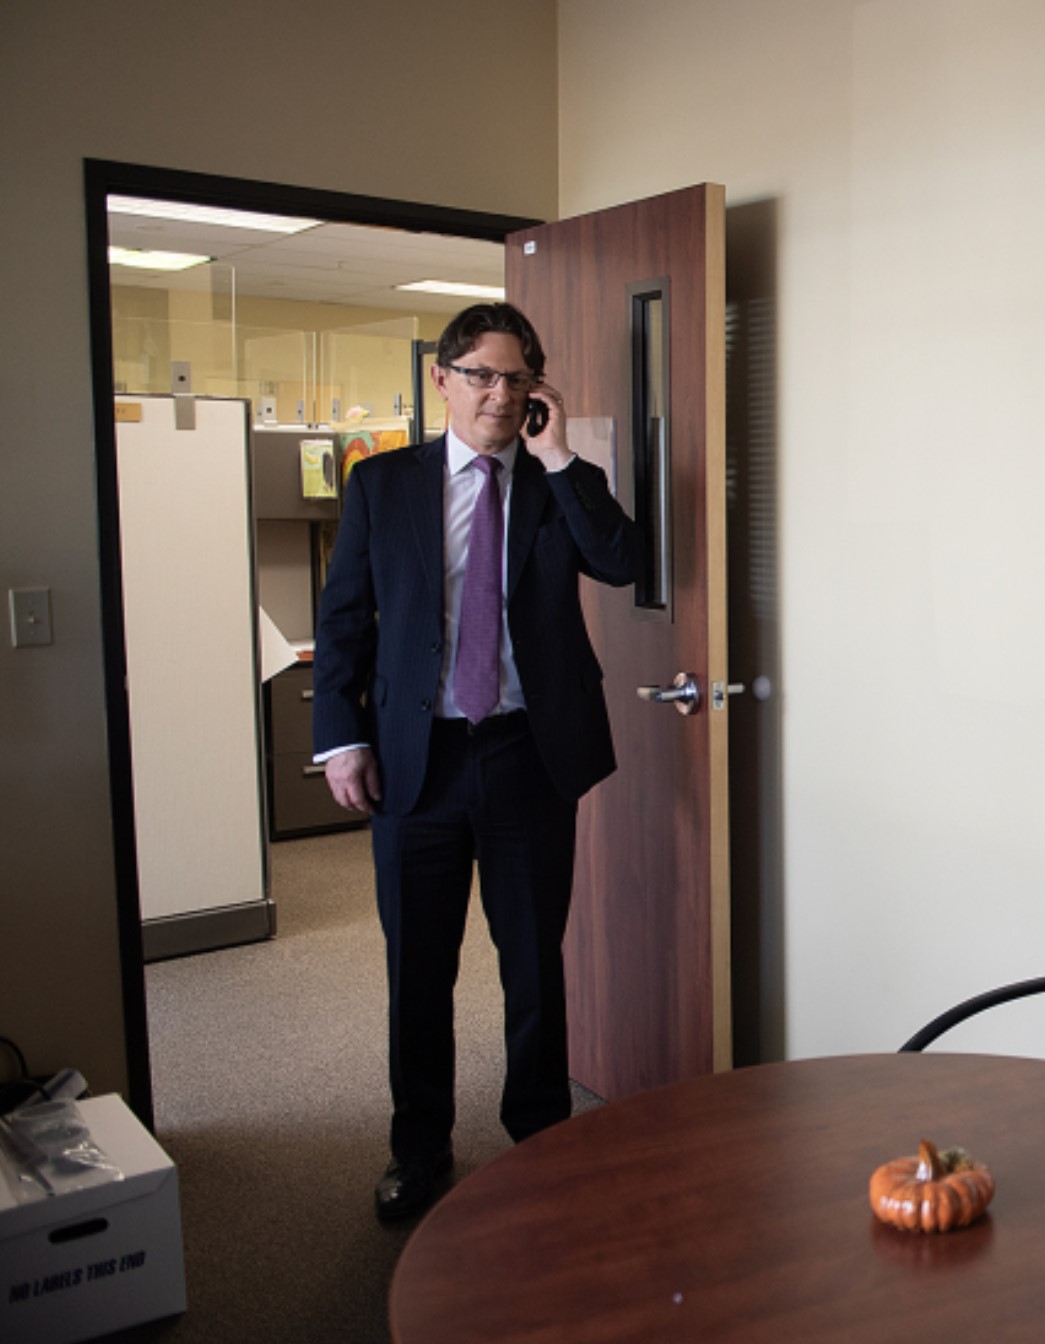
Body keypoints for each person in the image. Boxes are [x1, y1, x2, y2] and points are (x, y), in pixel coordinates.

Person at [311, 302, 640, 1221]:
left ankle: (538, 1138)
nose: (502, 395)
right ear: (443, 379)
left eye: (520, 378)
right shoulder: (383, 487)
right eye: (485, 376)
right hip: (416, 763)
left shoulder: (555, 483)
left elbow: (621, 562)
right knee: (419, 969)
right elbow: (345, 620)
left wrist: (561, 458)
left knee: (534, 962)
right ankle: (418, 1151)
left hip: (527, 757)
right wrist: (340, 736)